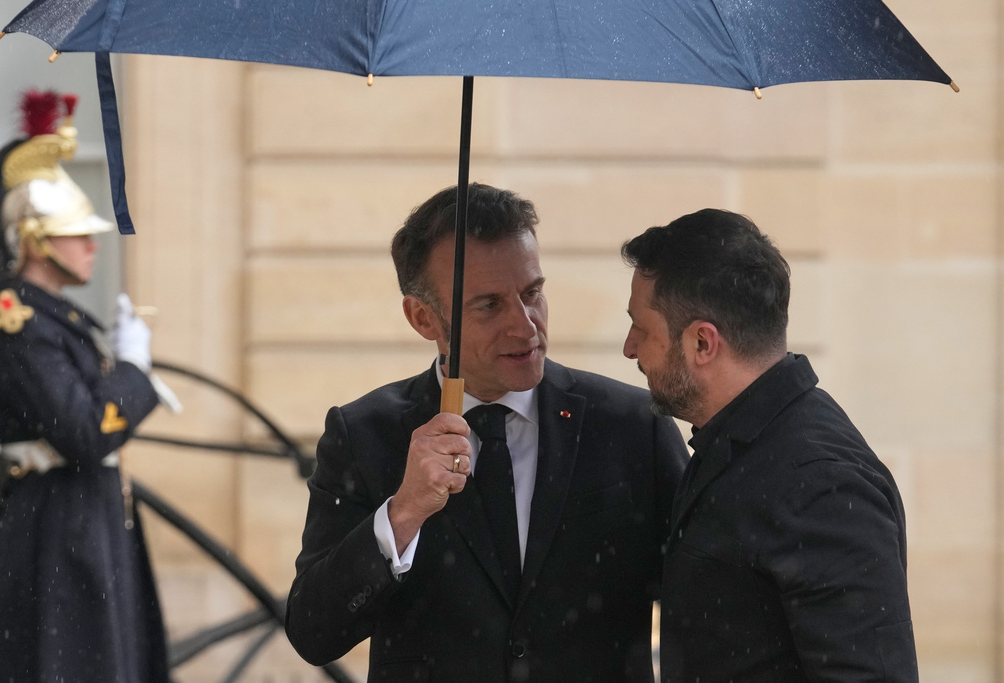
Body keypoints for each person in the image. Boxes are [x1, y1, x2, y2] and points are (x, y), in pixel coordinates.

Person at [285, 183, 689, 682]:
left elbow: (707, 602)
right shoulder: (364, 434)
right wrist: (404, 512)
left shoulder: (631, 425)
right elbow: (313, 632)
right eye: (488, 306)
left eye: (532, 293)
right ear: (422, 317)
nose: (525, 327)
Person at [621, 208, 917, 682]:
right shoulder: (739, 439)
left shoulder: (820, 482)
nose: (629, 347)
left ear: (702, 343)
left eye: (642, 327)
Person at [0, 90, 172, 682]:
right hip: (51, 528)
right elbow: (87, 431)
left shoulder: (53, 317)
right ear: (37, 240)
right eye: (76, 234)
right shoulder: (19, 324)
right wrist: (137, 373)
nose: (93, 245)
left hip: (80, 519)